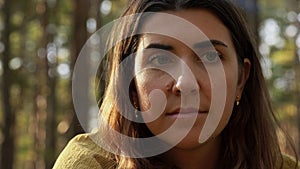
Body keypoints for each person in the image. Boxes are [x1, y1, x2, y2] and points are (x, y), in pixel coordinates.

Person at [53, 0, 299, 168]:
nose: (185, 83)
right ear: (130, 81)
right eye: (160, 59)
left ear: (241, 80)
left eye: (211, 57)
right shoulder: (88, 164)